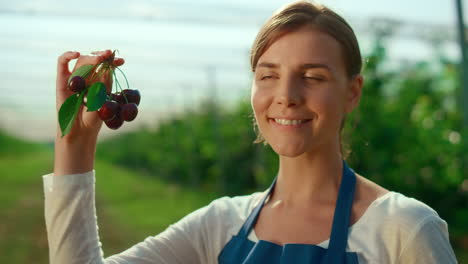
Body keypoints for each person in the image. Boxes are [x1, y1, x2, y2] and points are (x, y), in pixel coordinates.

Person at [43, 1, 458, 263]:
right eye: (268, 76)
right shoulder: (219, 225)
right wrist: (74, 147)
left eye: (312, 76)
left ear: (352, 92)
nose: (287, 96)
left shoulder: (404, 230)